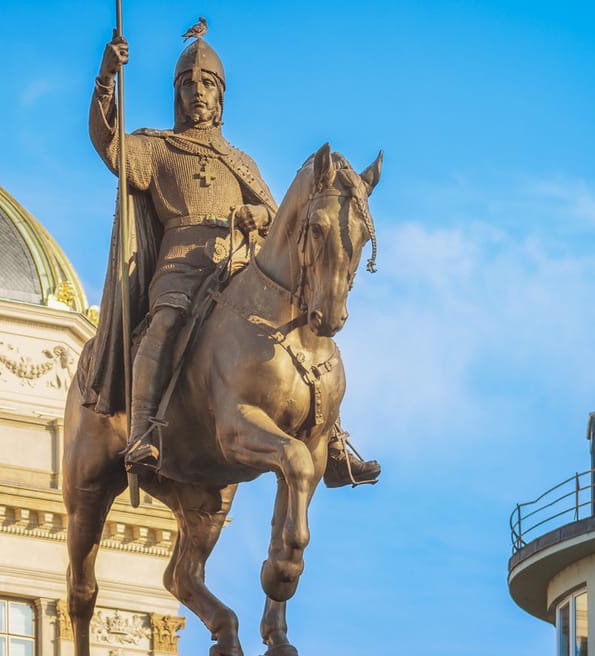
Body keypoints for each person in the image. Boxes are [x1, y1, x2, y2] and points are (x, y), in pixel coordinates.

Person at [84, 33, 380, 487]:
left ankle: (333, 441)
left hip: (240, 262)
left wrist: (259, 213)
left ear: (220, 95)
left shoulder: (239, 160)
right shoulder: (157, 147)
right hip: (181, 263)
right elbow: (110, 146)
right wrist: (107, 78)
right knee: (164, 323)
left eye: (207, 84)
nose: (197, 92)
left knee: (302, 323)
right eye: (188, 84)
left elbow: (281, 216)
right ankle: (143, 430)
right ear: (177, 94)